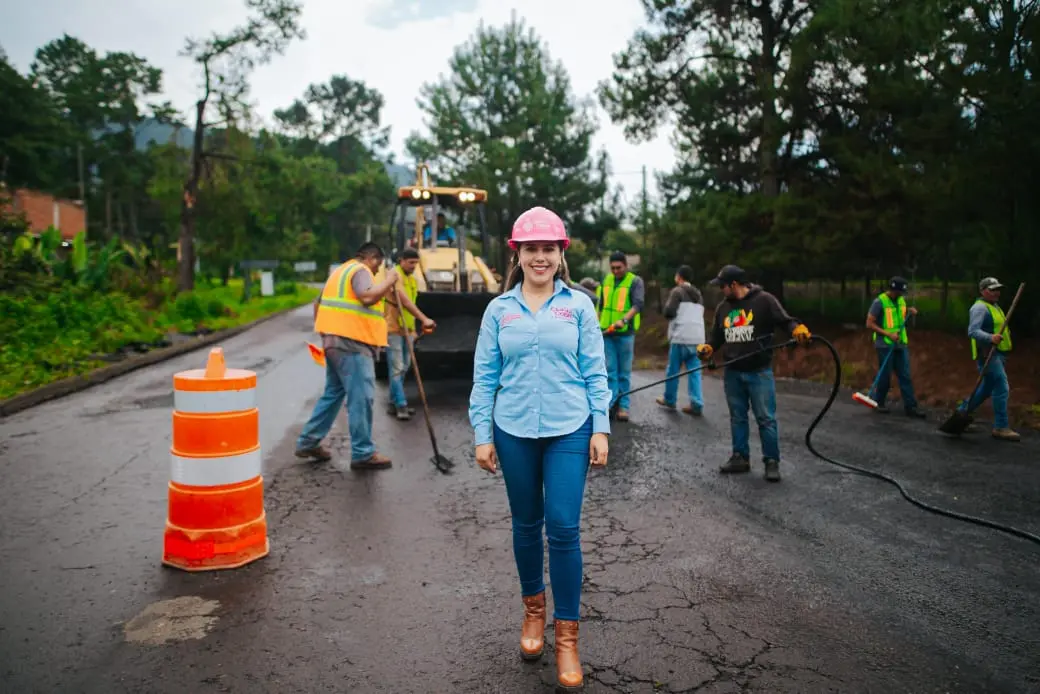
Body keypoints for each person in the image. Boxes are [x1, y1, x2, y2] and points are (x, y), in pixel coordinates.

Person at [469, 206, 610, 692]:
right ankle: (533, 612)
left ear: (560, 253)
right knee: (527, 525)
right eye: (531, 248)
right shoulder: (499, 311)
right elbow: (484, 377)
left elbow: (596, 371)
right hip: (513, 430)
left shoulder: (580, 306)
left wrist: (601, 427)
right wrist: (482, 434)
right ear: (518, 254)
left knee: (564, 527)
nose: (540, 257)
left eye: (549, 248)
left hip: (570, 427)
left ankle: (567, 638)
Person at [696, 265, 812, 482]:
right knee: (737, 417)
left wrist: (797, 329)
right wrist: (708, 348)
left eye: (722, 285)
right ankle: (740, 457)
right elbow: (717, 337)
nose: (721, 289)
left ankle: (771, 461)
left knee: (766, 418)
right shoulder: (723, 307)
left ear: (733, 284)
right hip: (733, 371)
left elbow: (786, 321)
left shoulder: (764, 301)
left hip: (759, 372)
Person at [295, 242, 399, 469]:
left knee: (333, 394)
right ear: (372, 259)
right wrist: (389, 280)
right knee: (361, 397)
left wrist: (325, 333)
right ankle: (363, 452)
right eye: (377, 267)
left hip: (334, 341)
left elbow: (317, 304)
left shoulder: (339, 272)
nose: (375, 272)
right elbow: (367, 297)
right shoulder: (360, 271)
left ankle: (308, 441)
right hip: (352, 343)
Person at [956, 277, 1020, 441]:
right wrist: (991, 338)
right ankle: (1001, 426)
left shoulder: (994, 306)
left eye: (998, 289)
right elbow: (973, 331)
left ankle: (961, 413)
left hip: (998, 353)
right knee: (1001, 387)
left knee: (986, 389)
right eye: (992, 290)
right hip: (988, 354)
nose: (996, 293)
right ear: (983, 291)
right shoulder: (979, 308)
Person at [383, 247, 436, 421]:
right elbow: (404, 301)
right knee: (397, 368)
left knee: (404, 367)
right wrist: (424, 318)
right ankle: (401, 404)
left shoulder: (412, 280)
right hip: (394, 329)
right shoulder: (394, 275)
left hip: (408, 329)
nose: (413, 266)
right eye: (411, 262)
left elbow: (411, 303)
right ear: (401, 261)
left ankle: (393, 402)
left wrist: (414, 329)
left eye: (416, 263)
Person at [864, 276, 926, 417]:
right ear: (892, 290)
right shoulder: (879, 302)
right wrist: (888, 334)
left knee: (905, 375)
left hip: (900, 343)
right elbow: (869, 323)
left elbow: (899, 314)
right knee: (885, 375)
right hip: (884, 344)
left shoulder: (901, 300)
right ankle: (879, 402)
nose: (901, 294)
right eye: (899, 292)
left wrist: (909, 311)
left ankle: (911, 407)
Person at [596, 251, 644, 422]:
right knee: (610, 371)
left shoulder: (635, 281)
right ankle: (611, 404)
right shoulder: (606, 280)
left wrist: (623, 320)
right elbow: (601, 306)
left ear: (626, 266)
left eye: (619, 268)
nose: (616, 271)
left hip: (625, 334)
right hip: (607, 332)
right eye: (613, 268)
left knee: (624, 373)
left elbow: (638, 305)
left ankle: (623, 406)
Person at [657, 265, 705, 415]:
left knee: (673, 370)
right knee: (695, 372)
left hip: (681, 336)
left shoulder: (677, 291)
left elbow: (669, 312)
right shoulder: (699, 295)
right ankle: (697, 403)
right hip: (698, 337)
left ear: (678, 277)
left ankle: (669, 399)